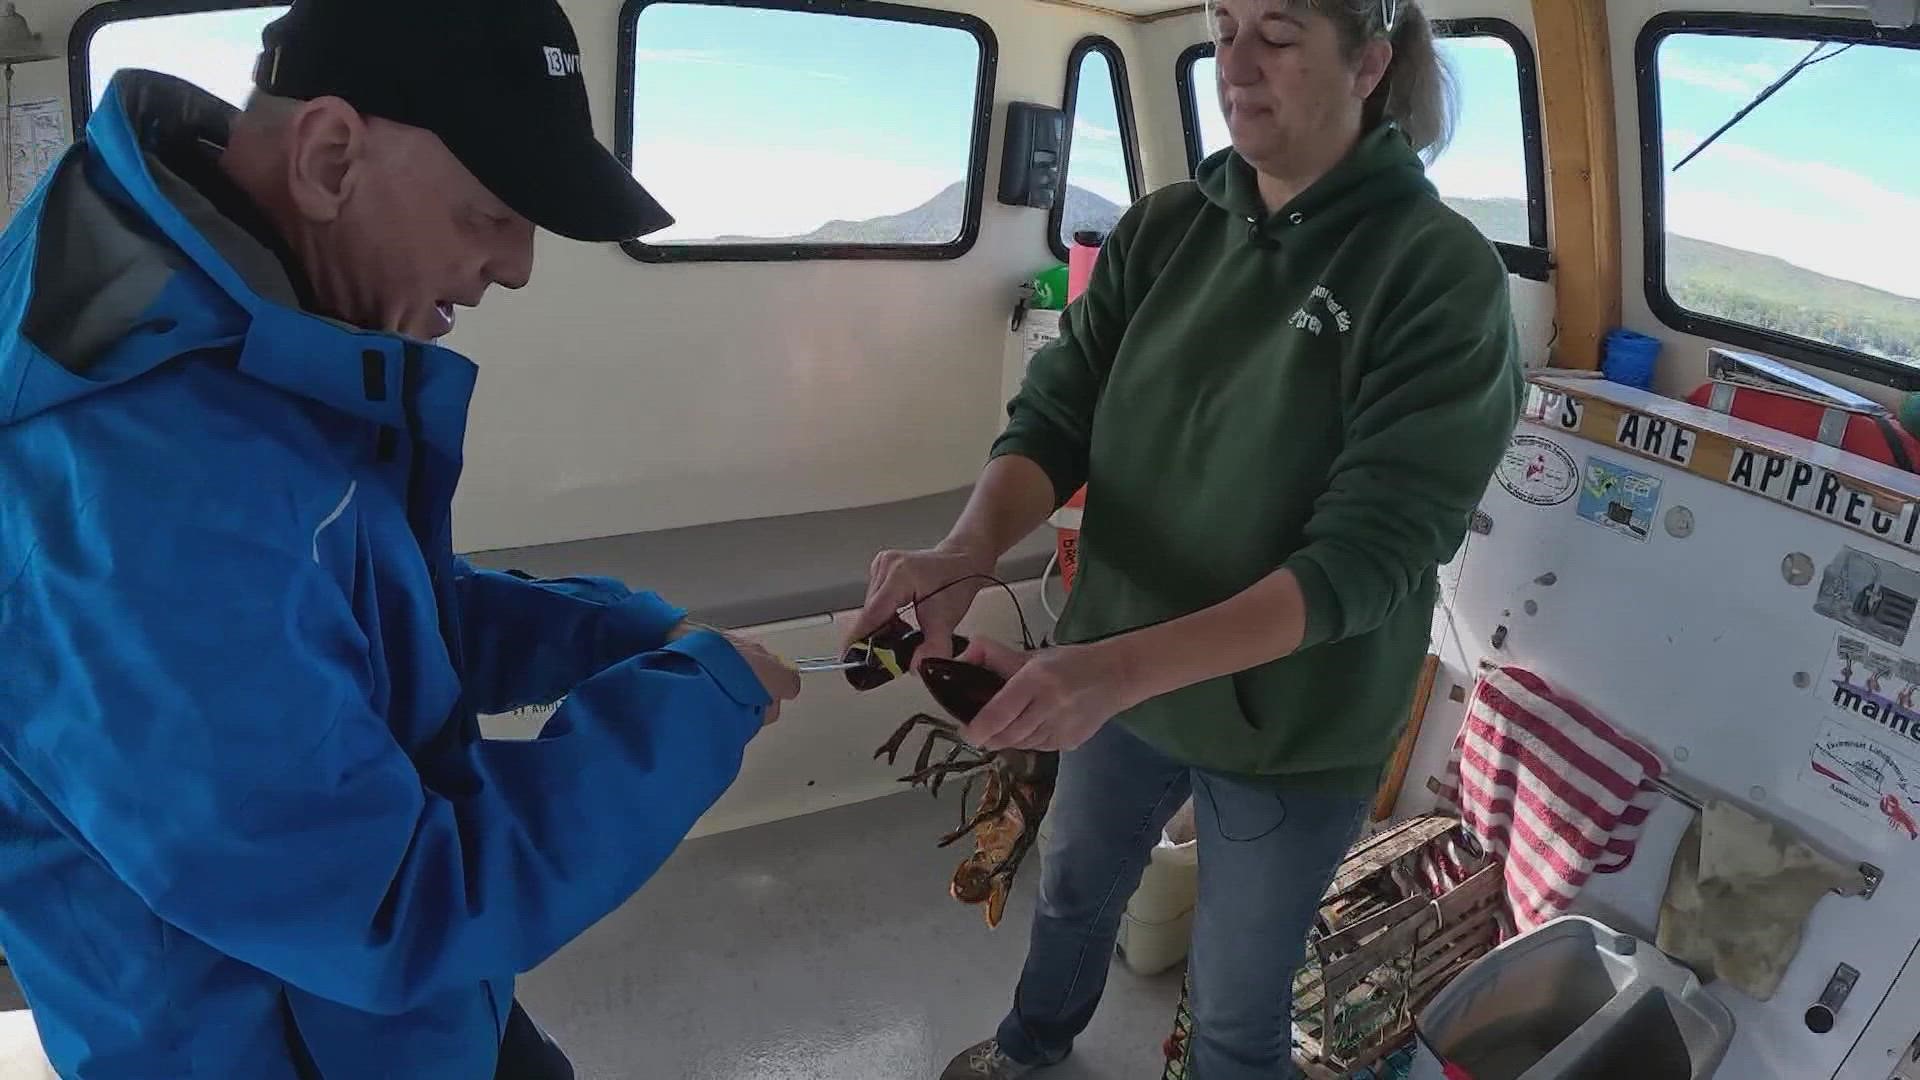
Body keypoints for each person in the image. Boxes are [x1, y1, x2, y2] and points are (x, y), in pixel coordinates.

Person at [0, 0, 801, 1076]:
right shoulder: (144, 478)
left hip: (386, 1020)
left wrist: (618, 633)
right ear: (331, 157)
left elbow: (365, 615)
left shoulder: (236, 342)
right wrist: (695, 706)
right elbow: (395, 905)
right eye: (492, 214)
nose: (515, 267)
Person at [849, 1, 1523, 1077]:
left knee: (1235, 1012)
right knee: (1072, 892)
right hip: (1112, 667)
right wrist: (965, 553)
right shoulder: (1163, 230)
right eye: (1222, 28)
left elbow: (1370, 557)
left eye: (1281, 32)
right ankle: (1033, 1050)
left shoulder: (1438, 275)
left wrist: (1109, 671)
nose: (1236, 66)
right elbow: (1055, 417)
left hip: (1294, 725)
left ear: (1371, 64)